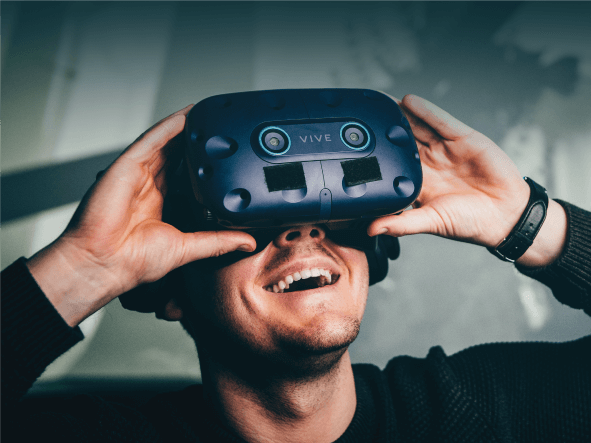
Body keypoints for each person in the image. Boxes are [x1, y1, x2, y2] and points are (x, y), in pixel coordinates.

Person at [1, 95, 589, 442]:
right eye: (252, 214)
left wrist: (531, 221)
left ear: (374, 256)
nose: (303, 230)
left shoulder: (482, 411)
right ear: (168, 288)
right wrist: (81, 270)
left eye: (334, 213)